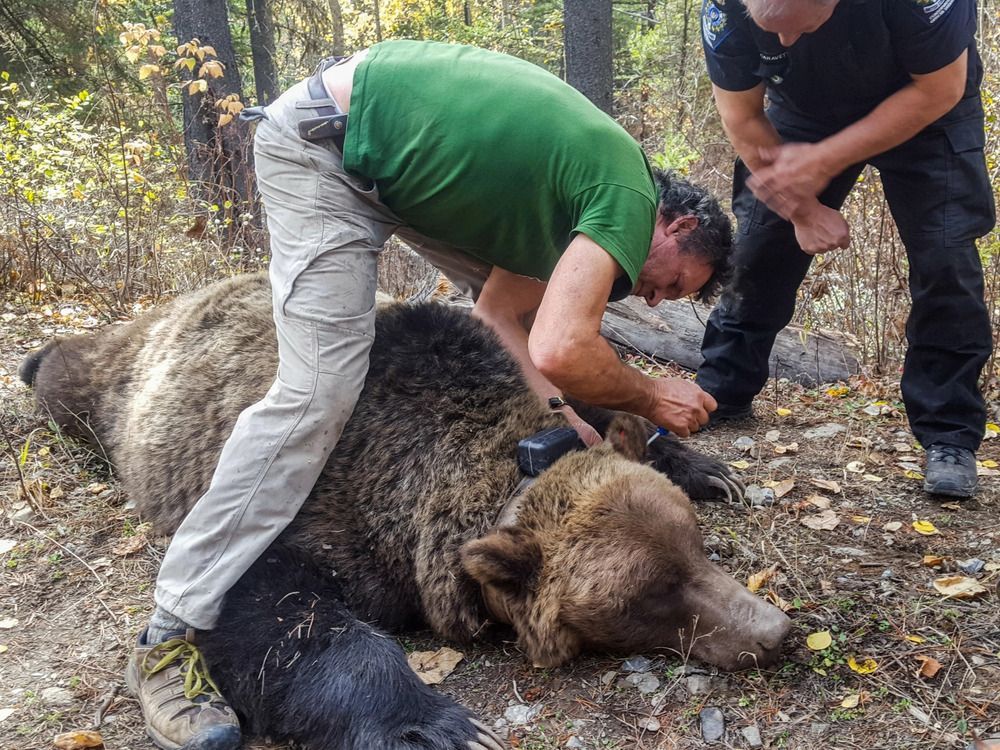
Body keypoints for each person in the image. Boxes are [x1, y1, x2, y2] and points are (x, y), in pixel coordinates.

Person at [125, 39, 735, 749]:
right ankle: (168, 634)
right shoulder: (625, 198)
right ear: (680, 225)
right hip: (328, 147)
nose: (656, 300)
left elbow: (499, 318)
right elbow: (564, 348)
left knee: (549, 322)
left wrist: (578, 419)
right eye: (673, 283)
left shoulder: (579, 194)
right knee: (318, 390)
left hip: (382, 155)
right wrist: (652, 401)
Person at [697, 0, 995, 499]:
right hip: (803, 110)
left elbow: (940, 88)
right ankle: (721, 387)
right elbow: (743, 115)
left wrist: (826, 160)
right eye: (772, 33)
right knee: (760, 244)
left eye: (800, 27)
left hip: (927, 105)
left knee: (946, 258)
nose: (786, 43)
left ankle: (949, 434)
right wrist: (802, 210)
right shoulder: (723, 11)